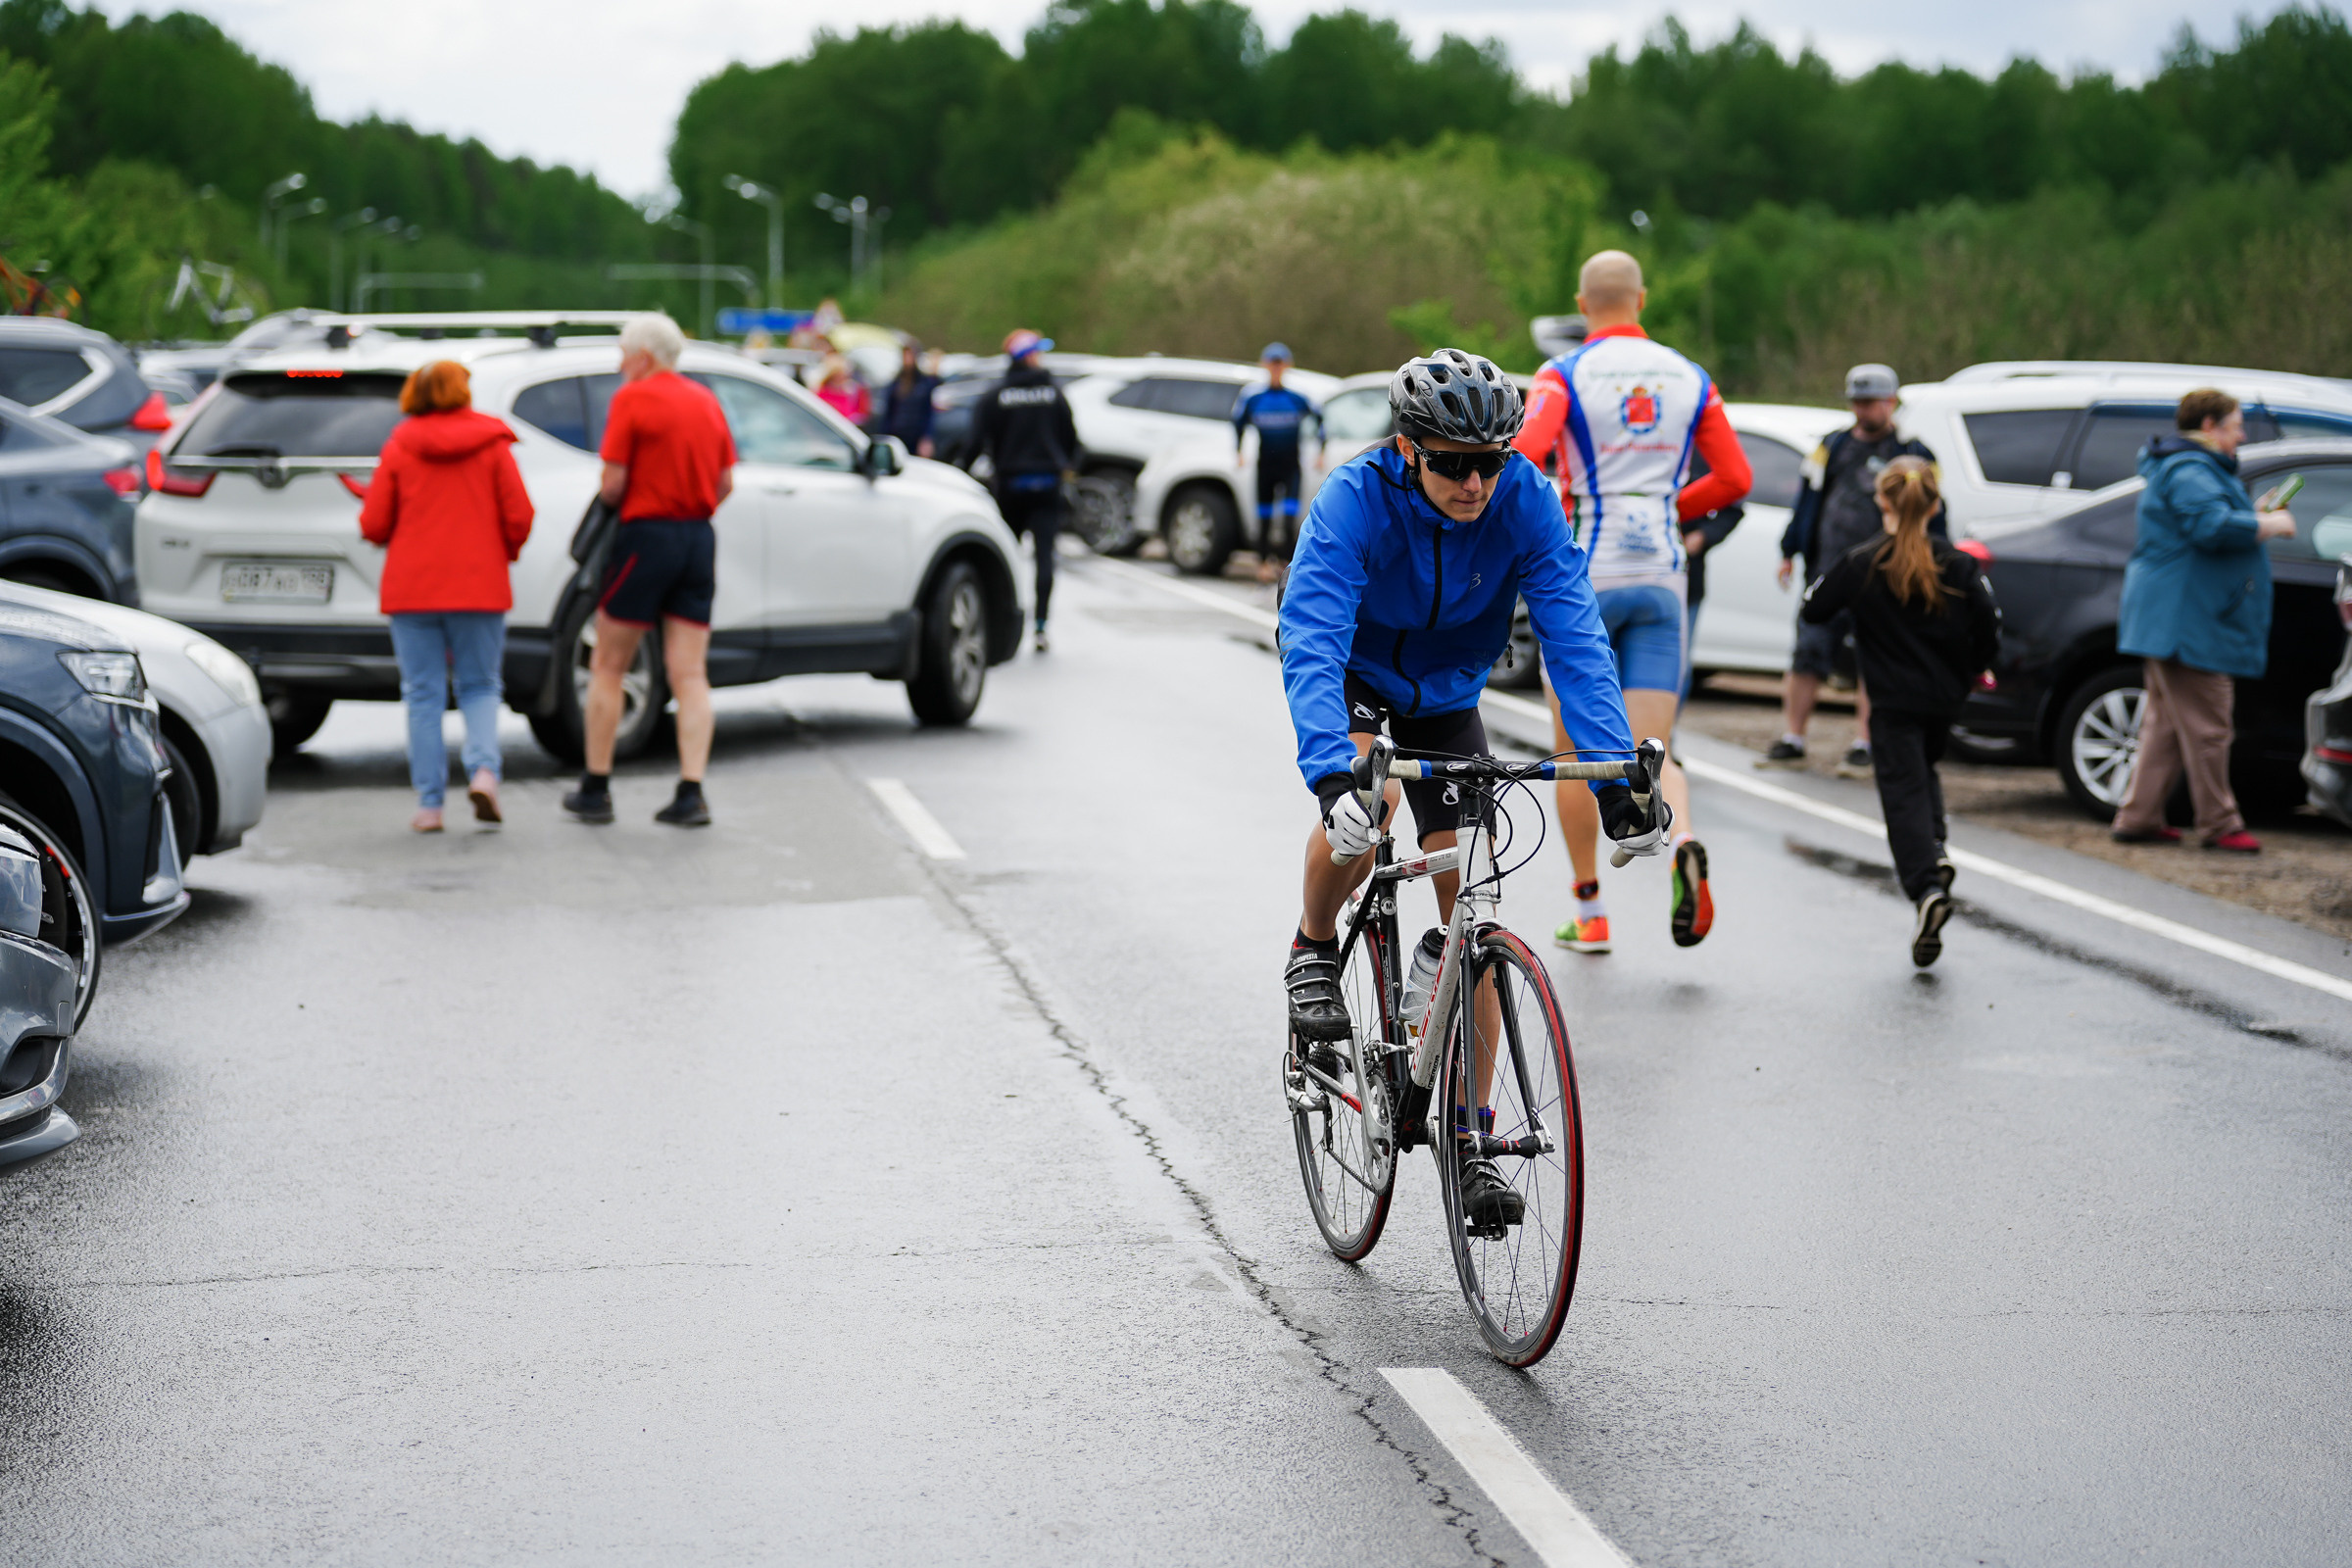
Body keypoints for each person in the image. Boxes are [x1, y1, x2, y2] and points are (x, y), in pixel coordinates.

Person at [1281, 348, 1669, 1231]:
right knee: (1368, 809)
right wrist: (1331, 771)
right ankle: (1311, 949)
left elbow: (1573, 630)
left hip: (1450, 690)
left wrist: (1615, 777)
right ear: (1409, 450)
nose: (1474, 482)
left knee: (1476, 895)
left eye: (1490, 461)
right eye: (1453, 464)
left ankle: (1472, 1137)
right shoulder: (1355, 499)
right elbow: (1311, 631)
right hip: (1354, 673)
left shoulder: (1526, 497)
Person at [1511, 250, 1750, 955]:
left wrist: (1564, 503)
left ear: (1583, 306)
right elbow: (1734, 476)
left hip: (1585, 579)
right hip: (1661, 575)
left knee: (1576, 751)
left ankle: (1590, 912)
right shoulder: (1689, 376)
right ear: (1640, 300)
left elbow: (1524, 457)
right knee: (1653, 749)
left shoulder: (1564, 373)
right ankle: (1684, 845)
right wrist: (1675, 505)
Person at [1800, 458, 2000, 967]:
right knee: (1921, 770)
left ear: (1882, 502)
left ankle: (1926, 886)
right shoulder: (1957, 565)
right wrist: (1970, 671)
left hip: (1890, 700)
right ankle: (1934, 849)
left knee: (1901, 788)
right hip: (1944, 699)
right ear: (1935, 506)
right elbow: (1990, 628)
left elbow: (1814, 607)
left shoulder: (1864, 561)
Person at [563, 314, 737, 827]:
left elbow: (613, 484)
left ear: (644, 355)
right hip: (697, 537)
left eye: (622, 353)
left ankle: (596, 787)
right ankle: (691, 789)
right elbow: (725, 483)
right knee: (690, 672)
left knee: (609, 663)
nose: (619, 364)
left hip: (646, 537)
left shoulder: (632, 399)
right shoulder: (706, 401)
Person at [2109, 388, 2297, 853]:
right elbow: (2208, 526)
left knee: (2167, 726)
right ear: (2209, 427)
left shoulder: (2182, 467)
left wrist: (2249, 516)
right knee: (2211, 725)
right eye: (2235, 425)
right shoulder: (2191, 468)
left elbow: (2203, 520)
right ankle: (2220, 823)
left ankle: (2138, 816)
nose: (2241, 435)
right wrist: (2267, 525)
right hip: (2187, 622)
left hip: (2171, 618)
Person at [360, 360, 534, 833]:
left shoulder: (400, 445)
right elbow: (520, 514)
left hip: (413, 589)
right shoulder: (492, 445)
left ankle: (430, 805)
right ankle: (483, 771)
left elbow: (374, 523)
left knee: (423, 695)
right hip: (480, 586)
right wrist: (504, 554)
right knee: (479, 686)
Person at [1767, 364, 1941, 778]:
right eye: (1857, 403)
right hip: (1828, 568)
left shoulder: (1915, 453)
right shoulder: (1833, 445)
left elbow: (1934, 513)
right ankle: (1793, 736)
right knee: (1808, 651)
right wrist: (1790, 548)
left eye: (1871, 403)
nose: (1863, 411)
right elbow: (1807, 497)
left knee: (1872, 656)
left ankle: (1865, 742)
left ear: (1891, 402)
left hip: (1886, 576)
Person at [968, 328, 1079, 653]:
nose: (1040, 358)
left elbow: (975, 442)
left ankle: (1000, 621)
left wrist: (961, 474)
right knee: (1045, 558)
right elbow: (1071, 439)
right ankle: (1041, 626)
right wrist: (1068, 466)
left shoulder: (996, 395)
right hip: (1047, 485)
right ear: (1024, 356)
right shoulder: (1053, 393)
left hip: (1010, 487)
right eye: (1035, 352)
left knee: (1005, 557)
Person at [1232, 343, 1321, 585]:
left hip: (1291, 466)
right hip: (1265, 465)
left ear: (1287, 366)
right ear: (1264, 365)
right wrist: (1238, 452)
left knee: (1290, 517)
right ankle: (1262, 563)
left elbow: (1321, 419)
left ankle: (1285, 564)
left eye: (1280, 363)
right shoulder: (1255, 399)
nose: (1276, 368)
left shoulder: (1296, 399)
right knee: (1264, 516)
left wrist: (1320, 451)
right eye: (1272, 363)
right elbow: (1237, 423)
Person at [880, 341, 938, 458]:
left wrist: (927, 437)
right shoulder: (896, 382)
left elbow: (928, 413)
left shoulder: (924, 383)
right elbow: (889, 412)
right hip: (897, 433)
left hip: (915, 435)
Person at [814, 352, 871, 427]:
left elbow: (863, 413)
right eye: (837, 376)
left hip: (844, 429)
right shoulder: (821, 392)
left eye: (843, 376)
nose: (840, 379)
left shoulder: (855, 391)